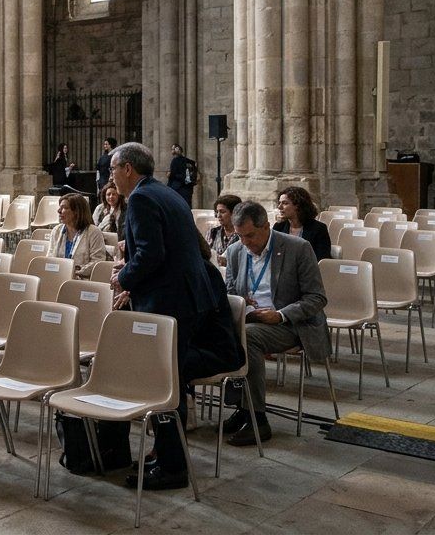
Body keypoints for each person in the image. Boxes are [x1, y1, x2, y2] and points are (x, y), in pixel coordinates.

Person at [108, 142, 240, 491]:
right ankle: (165, 452)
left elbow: (151, 255)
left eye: (112, 169)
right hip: (185, 298)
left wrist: (124, 277)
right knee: (171, 381)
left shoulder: (140, 198)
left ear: (128, 169)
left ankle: (173, 467)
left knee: (164, 383)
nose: (111, 177)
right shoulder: (167, 194)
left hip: (168, 304)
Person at [223, 200, 329, 446]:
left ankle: (257, 419)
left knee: (247, 337)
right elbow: (229, 290)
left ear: (266, 227)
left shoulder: (298, 248)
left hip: (291, 324)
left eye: (250, 235)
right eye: (240, 236)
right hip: (251, 319)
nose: (246, 242)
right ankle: (242, 407)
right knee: (223, 332)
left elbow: (317, 298)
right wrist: (242, 303)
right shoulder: (237, 250)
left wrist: (280, 314)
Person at [47, 193, 106, 279]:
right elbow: (50, 257)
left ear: (77, 212)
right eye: (60, 207)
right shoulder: (56, 231)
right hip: (58, 278)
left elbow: (98, 261)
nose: (59, 211)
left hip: (83, 281)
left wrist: (75, 271)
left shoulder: (93, 232)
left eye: (64, 208)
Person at [274, 185, 331, 260]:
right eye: (279, 203)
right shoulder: (279, 227)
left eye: (285, 203)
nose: (279, 207)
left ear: (297, 205)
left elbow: (321, 259)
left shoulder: (318, 229)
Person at [207, 193, 243, 262]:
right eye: (217, 212)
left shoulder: (243, 234)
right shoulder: (213, 232)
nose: (218, 216)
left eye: (222, 212)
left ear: (234, 213)